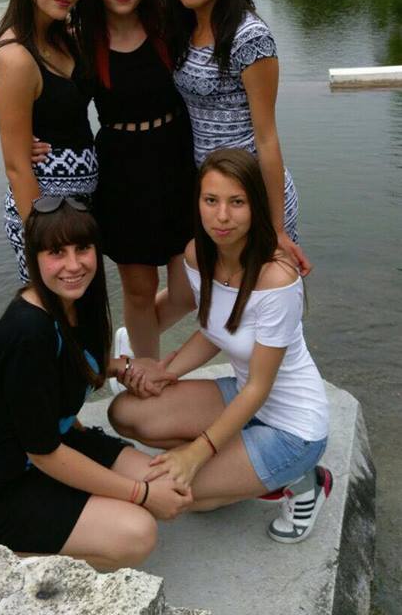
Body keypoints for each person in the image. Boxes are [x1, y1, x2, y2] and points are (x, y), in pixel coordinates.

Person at [0, 198, 191, 567]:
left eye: (83, 248)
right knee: (137, 532)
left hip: (57, 441)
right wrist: (139, 494)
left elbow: (69, 363)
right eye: (56, 252)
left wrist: (122, 366)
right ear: (34, 258)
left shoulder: (78, 301)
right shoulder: (29, 330)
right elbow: (43, 453)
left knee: (169, 482)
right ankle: (11, 558)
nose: (74, 265)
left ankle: (74, 511)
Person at [109, 149, 332, 544]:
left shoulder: (277, 279)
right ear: (197, 203)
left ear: (256, 206)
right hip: (242, 401)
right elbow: (215, 331)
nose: (222, 216)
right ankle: (235, 468)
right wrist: (165, 372)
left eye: (237, 202)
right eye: (211, 200)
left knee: (173, 494)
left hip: (292, 429)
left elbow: (259, 387)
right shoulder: (198, 255)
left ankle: (302, 481)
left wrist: (197, 452)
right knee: (126, 412)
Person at [157, 0, 311, 275]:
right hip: (214, 200)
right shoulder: (182, 28)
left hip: (251, 197)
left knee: (262, 297)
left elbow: (266, 137)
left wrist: (276, 228)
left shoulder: (249, 36)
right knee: (224, 298)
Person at [80, 0, 196, 358]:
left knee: (190, 289)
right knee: (140, 289)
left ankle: (130, 344)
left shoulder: (169, 26)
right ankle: (145, 372)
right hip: (122, 173)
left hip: (176, 161)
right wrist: (36, 139)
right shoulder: (82, 41)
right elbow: (58, 100)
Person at [0, 0, 98, 283]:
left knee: (84, 311)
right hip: (45, 216)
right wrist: (47, 243)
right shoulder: (15, 57)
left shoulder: (63, 37)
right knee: (51, 311)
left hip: (80, 212)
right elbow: (17, 166)